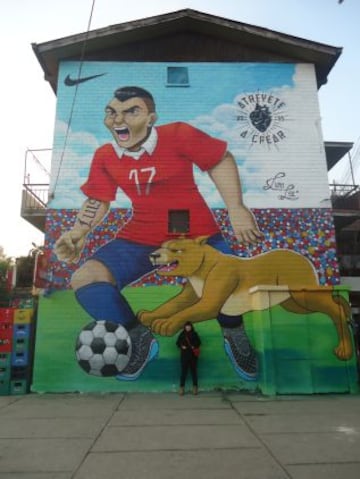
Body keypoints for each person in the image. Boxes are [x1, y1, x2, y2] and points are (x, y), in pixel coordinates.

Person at [54, 86, 262, 381]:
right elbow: (98, 198)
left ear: (151, 118)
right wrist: (79, 231)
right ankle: (138, 336)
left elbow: (219, 159)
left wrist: (236, 207)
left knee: (230, 286)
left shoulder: (177, 134)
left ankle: (233, 331)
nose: (118, 120)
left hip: (196, 234)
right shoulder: (104, 155)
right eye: (111, 112)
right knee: (85, 277)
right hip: (142, 236)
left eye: (130, 112)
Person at [176, 322, 201, 395]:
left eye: (189, 326)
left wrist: (194, 346)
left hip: (193, 356)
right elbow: (177, 343)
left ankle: (195, 388)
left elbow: (199, 342)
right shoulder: (182, 334)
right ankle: (181, 388)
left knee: (194, 372)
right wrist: (181, 346)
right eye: (186, 326)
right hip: (184, 356)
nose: (188, 328)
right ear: (185, 327)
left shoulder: (194, 334)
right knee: (184, 372)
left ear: (191, 327)